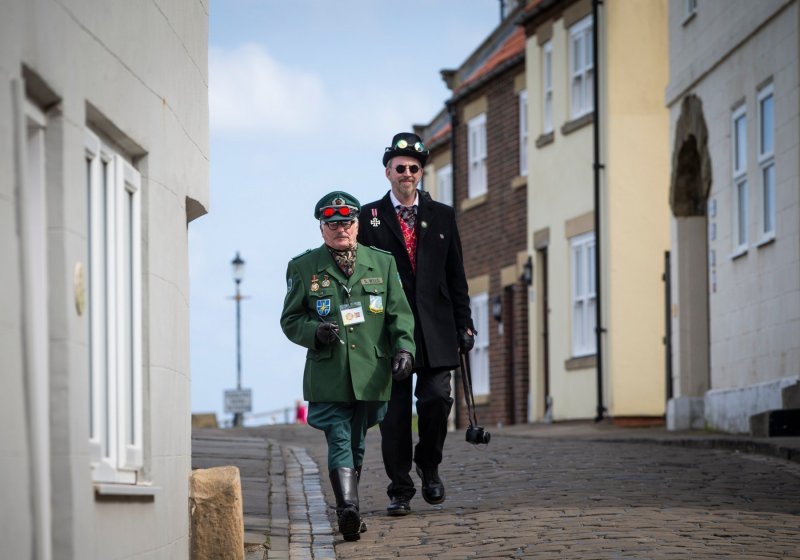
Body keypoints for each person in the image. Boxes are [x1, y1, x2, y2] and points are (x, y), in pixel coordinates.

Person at [280, 190, 416, 541]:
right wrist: (315, 332)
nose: (341, 229)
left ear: (357, 225)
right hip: (330, 372)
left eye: (348, 222)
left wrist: (404, 348)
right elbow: (291, 319)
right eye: (333, 223)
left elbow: (399, 314)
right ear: (322, 228)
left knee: (356, 442)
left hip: (371, 372)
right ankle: (348, 510)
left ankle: (349, 505)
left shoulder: (382, 263)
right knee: (340, 437)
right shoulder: (304, 267)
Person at [358, 132, 475, 516]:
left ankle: (430, 464)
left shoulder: (442, 215)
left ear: (421, 172)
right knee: (392, 415)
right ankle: (400, 488)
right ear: (388, 172)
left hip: (436, 328)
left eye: (413, 168)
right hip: (387, 332)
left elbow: (456, 274)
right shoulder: (369, 218)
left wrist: (466, 324)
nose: (406, 174)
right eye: (399, 168)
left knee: (437, 400)